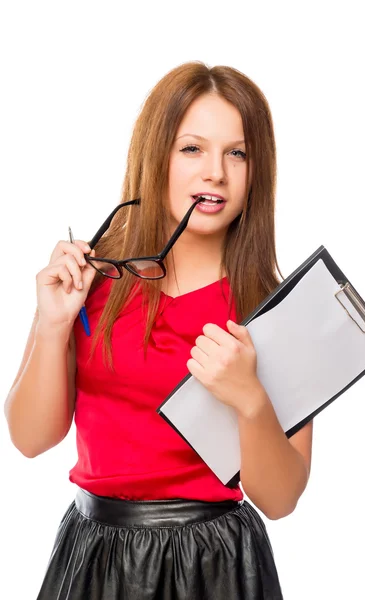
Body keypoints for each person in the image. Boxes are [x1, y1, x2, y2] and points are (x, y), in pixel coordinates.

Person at [4, 61, 313, 599]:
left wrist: (250, 400)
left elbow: (280, 499)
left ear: (257, 170)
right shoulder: (94, 283)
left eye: (237, 153)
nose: (214, 171)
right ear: (157, 156)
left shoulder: (273, 312)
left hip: (217, 568)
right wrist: (50, 325)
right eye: (191, 148)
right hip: (93, 559)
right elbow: (31, 439)